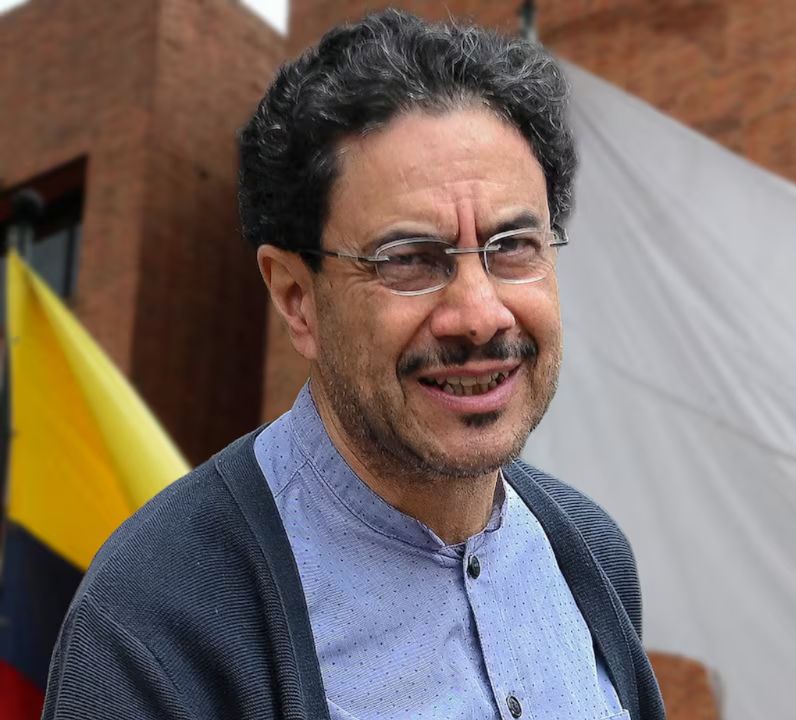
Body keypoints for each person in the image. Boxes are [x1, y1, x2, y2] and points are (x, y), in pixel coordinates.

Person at [41, 10, 665, 720]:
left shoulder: (591, 554)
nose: (480, 313)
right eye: (410, 260)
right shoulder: (155, 621)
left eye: (512, 246)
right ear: (297, 299)